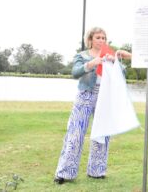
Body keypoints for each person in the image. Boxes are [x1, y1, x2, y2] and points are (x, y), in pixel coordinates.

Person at [54, 27, 132, 184]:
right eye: (98, 37)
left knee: (102, 133)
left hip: (104, 96)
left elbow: (122, 75)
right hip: (85, 96)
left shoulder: (109, 54)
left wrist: (115, 63)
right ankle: (65, 172)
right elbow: (75, 72)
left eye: (104, 38)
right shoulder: (81, 56)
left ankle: (97, 171)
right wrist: (90, 64)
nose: (102, 40)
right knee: (75, 134)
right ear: (90, 39)